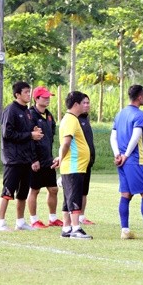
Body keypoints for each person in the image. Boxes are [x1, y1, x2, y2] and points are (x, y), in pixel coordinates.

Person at [110, 85, 143, 240]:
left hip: (122, 162)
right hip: (136, 160)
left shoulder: (120, 114)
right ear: (139, 97)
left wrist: (117, 154)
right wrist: (125, 155)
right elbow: (136, 136)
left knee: (126, 194)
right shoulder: (139, 115)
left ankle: (125, 230)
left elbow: (113, 137)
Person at [0, 81, 44, 232]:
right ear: (17, 94)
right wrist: (30, 134)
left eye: (29, 92)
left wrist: (34, 132)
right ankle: (1, 222)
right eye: (26, 92)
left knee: (23, 192)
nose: (29, 95)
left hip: (25, 158)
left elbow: (28, 133)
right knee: (8, 191)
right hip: (13, 158)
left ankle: (21, 222)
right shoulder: (10, 110)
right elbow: (7, 134)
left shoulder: (28, 112)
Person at [52, 91, 93, 239]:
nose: (85, 105)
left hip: (75, 165)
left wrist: (60, 158)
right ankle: (76, 228)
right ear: (76, 104)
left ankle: (66, 227)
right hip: (74, 165)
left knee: (68, 198)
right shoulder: (70, 120)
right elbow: (66, 142)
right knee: (74, 196)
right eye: (83, 102)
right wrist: (61, 159)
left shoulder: (71, 119)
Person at [28, 86, 63, 229]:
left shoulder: (49, 115)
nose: (48, 99)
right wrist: (33, 159)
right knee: (34, 190)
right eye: (44, 97)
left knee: (53, 189)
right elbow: (28, 139)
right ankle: (34, 220)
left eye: (49, 96)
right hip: (35, 159)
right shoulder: (30, 115)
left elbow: (52, 135)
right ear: (36, 99)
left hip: (48, 159)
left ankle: (53, 218)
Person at [78, 94, 96, 225]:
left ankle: (81, 217)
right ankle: (72, 217)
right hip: (78, 162)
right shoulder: (75, 119)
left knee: (84, 191)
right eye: (84, 103)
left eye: (88, 103)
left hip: (88, 162)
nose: (87, 105)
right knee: (76, 191)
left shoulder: (86, 119)